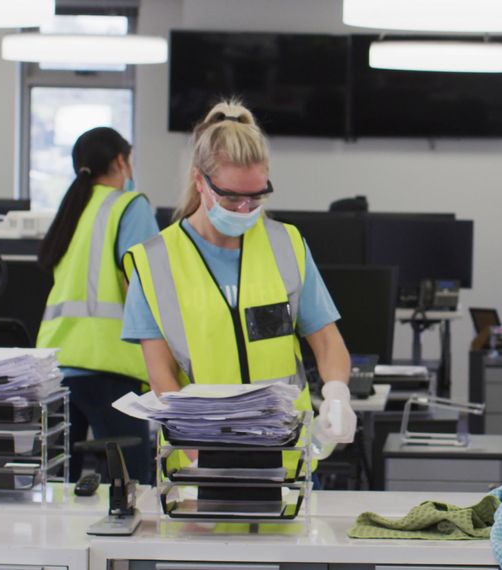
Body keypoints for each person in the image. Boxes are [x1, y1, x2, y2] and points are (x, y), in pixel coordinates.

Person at [120, 100, 355, 474]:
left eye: (257, 196)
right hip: (198, 461)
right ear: (200, 180)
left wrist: (337, 394)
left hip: (286, 458)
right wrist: (199, 454)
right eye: (232, 197)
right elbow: (161, 374)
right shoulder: (153, 262)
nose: (245, 208)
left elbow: (327, 341)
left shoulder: (286, 244)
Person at [36, 127, 160, 484]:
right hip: (110, 365)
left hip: (59, 365)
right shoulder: (129, 205)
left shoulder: (73, 209)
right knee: (131, 485)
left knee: (60, 485)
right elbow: (139, 285)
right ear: (121, 161)